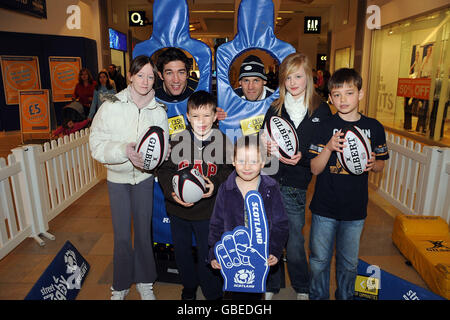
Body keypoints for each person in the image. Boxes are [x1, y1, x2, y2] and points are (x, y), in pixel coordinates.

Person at [89, 55, 169, 300]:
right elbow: (96, 144)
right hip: (118, 180)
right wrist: (123, 151)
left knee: (144, 234)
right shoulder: (110, 105)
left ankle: (145, 281)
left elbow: (164, 149)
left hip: (144, 179)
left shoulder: (159, 111)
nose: (145, 81)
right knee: (122, 235)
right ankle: (121, 284)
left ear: (155, 79)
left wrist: (149, 160)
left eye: (150, 76)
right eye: (140, 75)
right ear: (131, 76)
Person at [308, 68, 389, 300]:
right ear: (330, 98)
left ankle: (345, 297)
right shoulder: (324, 126)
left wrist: (374, 164)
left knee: (349, 263)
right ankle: (318, 297)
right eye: (337, 95)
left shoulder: (374, 127)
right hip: (324, 207)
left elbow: (381, 164)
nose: (343, 100)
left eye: (349, 93)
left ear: (360, 94)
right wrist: (328, 148)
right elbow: (314, 168)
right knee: (318, 261)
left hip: (355, 209)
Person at [262, 52, 332, 300]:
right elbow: (263, 138)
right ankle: (270, 285)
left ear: (309, 78)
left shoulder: (321, 110)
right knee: (269, 236)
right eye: (288, 77)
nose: (293, 82)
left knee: (293, 239)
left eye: (298, 76)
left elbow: (324, 151)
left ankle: (301, 286)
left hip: (296, 184)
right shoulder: (275, 107)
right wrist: (265, 145)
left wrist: (301, 158)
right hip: (270, 180)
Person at [157, 90, 233, 300]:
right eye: (196, 116)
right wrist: (172, 194)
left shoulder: (223, 141)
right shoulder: (176, 140)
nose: (201, 121)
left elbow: (229, 170)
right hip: (178, 211)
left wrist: (214, 184)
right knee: (182, 253)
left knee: (208, 254)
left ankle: (212, 292)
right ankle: (188, 287)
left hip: (208, 212)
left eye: (207, 115)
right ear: (188, 117)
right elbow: (163, 170)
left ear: (215, 116)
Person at [208, 134, 289, 300]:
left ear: (262, 162)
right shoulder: (226, 188)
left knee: (253, 296)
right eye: (242, 160)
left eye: (253, 161)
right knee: (232, 296)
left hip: (260, 256)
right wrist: (214, 252)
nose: (247, 166)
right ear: (233, 161)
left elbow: (281, 224)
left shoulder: (271, 188)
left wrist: (274, 250)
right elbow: (216, 223)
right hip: (233, 255)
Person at [216, 54, 274, 120]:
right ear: (240, 82)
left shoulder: (276, 100)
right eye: (246, 80)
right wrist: (216, 116)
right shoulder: (231, 98)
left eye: (256, 80)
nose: (250, 87)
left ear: (264, 81)